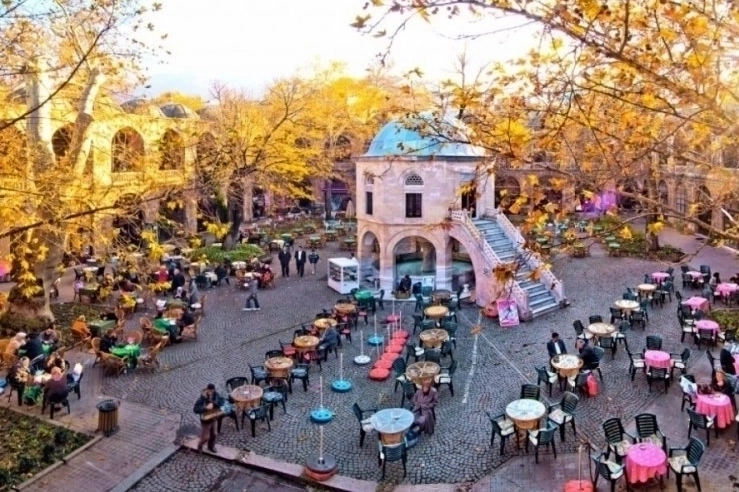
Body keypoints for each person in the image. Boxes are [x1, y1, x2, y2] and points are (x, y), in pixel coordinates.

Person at [193, 383, 225, 453]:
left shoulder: (216, 395)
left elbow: (222, 402)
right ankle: (199, 446)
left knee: (214, 434)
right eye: (209, 391)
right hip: (206, 420)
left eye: (212, 391)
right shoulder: (201, 398)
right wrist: (205, 408)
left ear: (214, 390)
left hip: (213, 417)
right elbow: (195, 409)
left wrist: (215, 403)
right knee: (205, 437)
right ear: (207, 390)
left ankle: (211, 446)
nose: (211, 393)